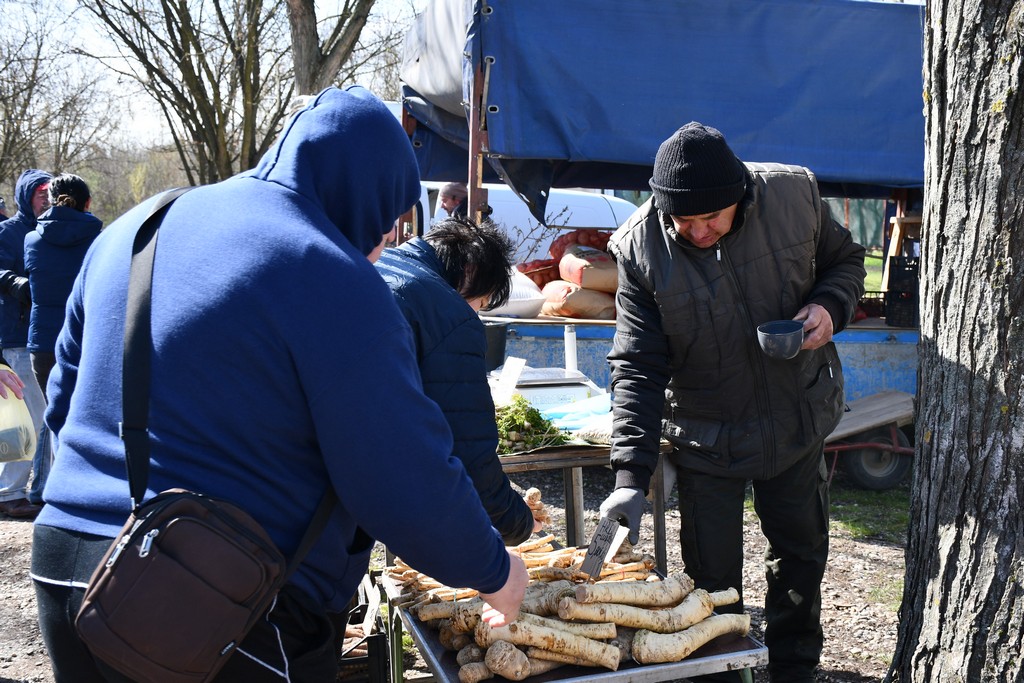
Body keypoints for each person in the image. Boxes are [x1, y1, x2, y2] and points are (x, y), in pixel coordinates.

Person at [30, 86, 527, 682]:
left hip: (66, 559)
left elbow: (63, 398)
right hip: (217, 597)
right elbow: (398, 469)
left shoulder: (137, 224)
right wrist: (494, 570)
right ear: (365, 195)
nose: (380, 245)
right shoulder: (330, 274)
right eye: (387, 220)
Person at [598, 122, 866, 683]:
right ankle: (723, 676)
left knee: (800, 558)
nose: (697, 231)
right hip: (706, 437)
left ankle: (794, 670)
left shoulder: (794, 197)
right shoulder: (639, 250)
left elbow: (845, 261)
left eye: (711, 217)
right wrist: (629, 476)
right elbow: (637, 367)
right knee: (712, 584)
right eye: (682, 220)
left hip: (796, 420)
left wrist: (829, 307)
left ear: (740, 196)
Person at [375, 217, 538, 546]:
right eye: (481, 303)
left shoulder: (381, 265)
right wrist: (516, 522)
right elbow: (469, 451)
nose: (475, 312)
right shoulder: (447, 314)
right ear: (471, 271)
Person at [23, 174, 103, 507]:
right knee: (87, 418)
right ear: (87, 203)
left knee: (53, 414)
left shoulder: (31, 239)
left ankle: (45, 489)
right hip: (84, 337)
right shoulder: (100, 239)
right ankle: (78, 491)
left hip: (43, 341)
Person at [0, 169, 51, 519]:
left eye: (50, 192)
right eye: (39, 193)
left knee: (46, 417)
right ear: (25, 196)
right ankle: (9, 492)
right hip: (18, 337)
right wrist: (18, 284)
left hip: (48, 336)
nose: (46, 199)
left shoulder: (52, 230)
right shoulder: (7, 232)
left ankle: (39, 490)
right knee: (26, 418)